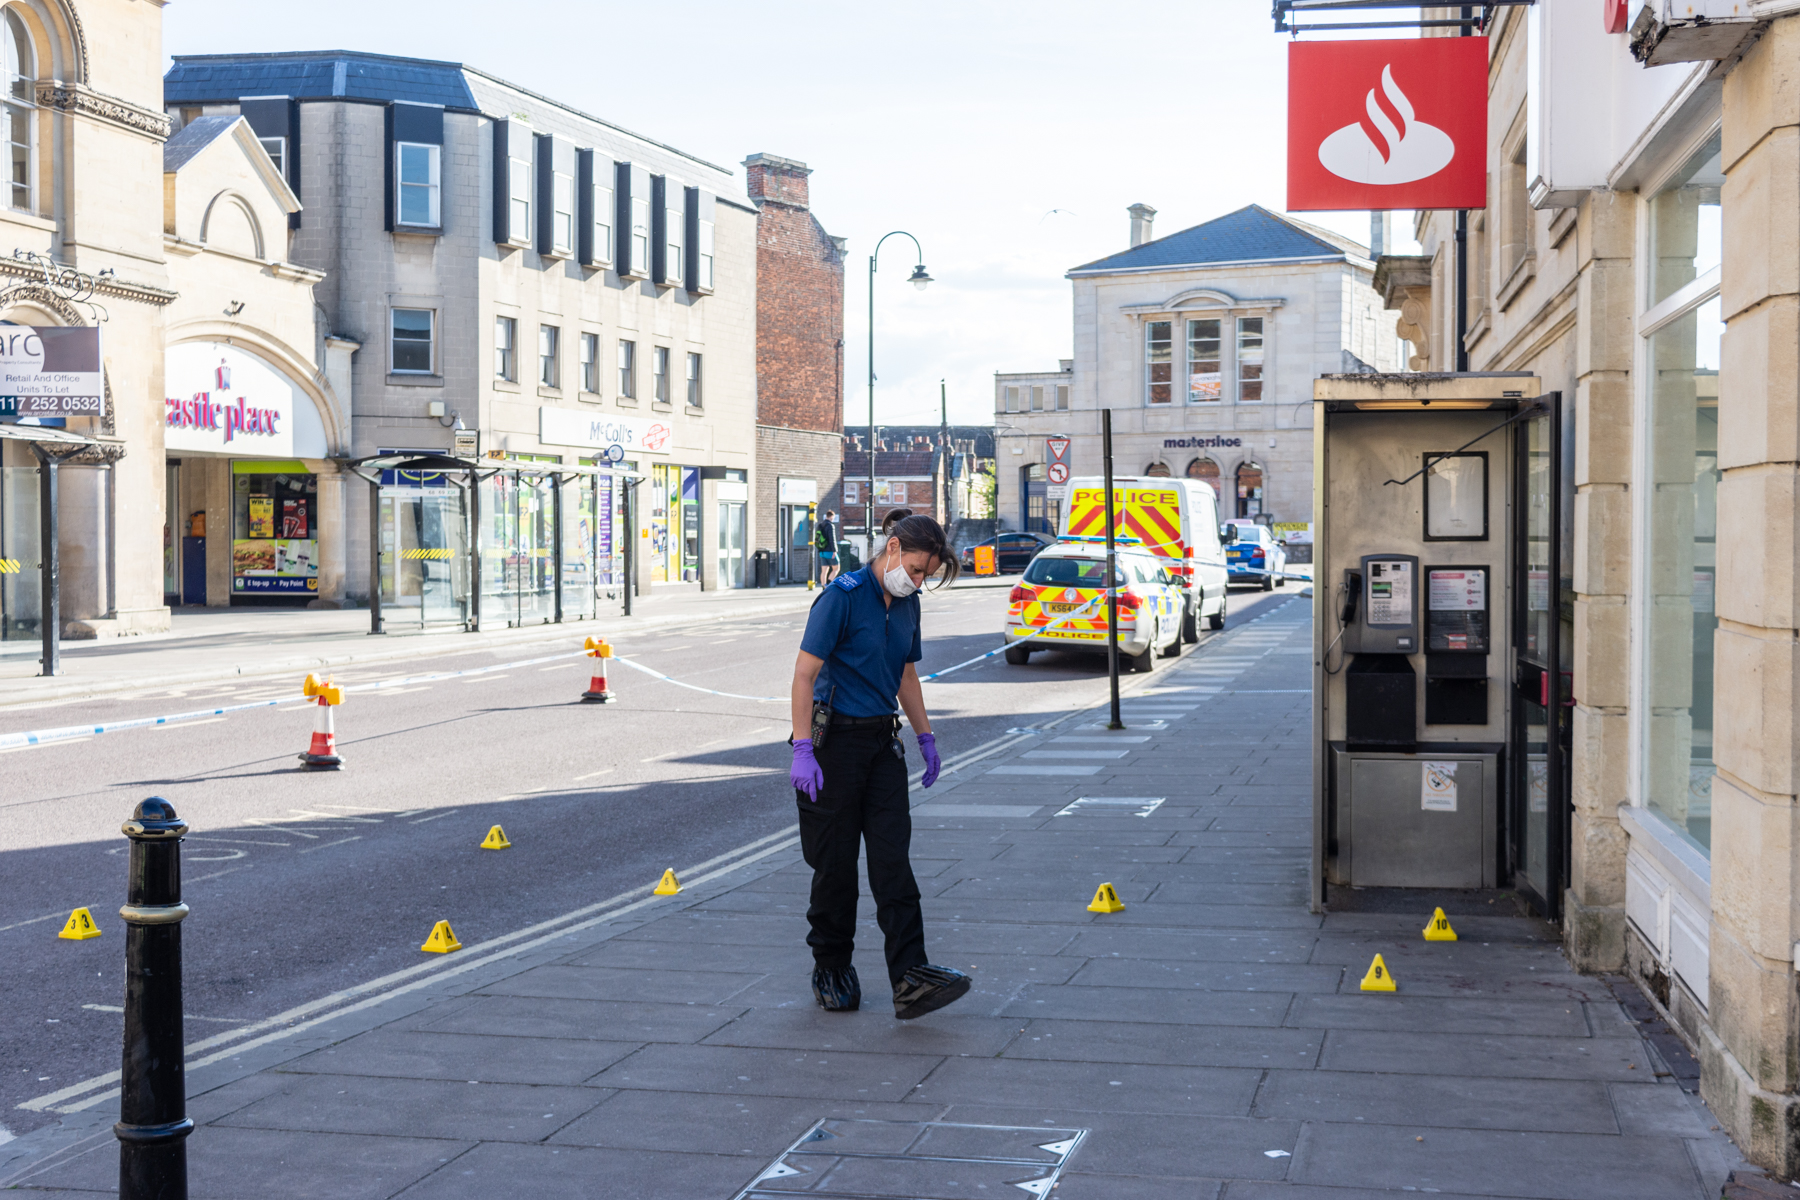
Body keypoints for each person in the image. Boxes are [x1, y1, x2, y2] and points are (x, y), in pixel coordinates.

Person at [788, 514, 970, 1019]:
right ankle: (830, 965)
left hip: (881, 745)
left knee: (893, 863)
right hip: (832, 748)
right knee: (835, 867)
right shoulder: (840, 597)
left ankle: (910, 976)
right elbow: (805, 675)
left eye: (924, 576)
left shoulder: (908, 606)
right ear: (892, 548)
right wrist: (803, 748)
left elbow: (906, 673)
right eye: (913, 570)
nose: (916, 582)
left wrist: (926, 736)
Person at [814, 508, 840, 585]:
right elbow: (832, 539)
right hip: (830, 551)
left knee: (824, 570)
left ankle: (823, 586)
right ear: (831, 517)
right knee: (836, 568)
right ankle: (829, 583)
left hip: (822, 551)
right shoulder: (830, 526)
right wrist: (834, 550)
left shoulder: (820, 525)